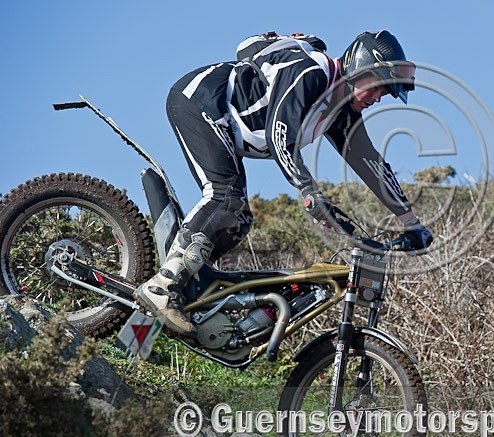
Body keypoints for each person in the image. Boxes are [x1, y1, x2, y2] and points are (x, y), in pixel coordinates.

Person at [134, 30, 433, 335]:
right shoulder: (312, 72)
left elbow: (370, 164)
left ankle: (183, 285)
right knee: (224, 198)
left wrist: (411, 222)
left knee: (238, 219)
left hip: (225, 124)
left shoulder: (339, 111)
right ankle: (163, 286)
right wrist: (307, 190)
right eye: (378, 88)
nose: (377, 99)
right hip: (201, 102)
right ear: (360, 67)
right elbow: (280, 134)